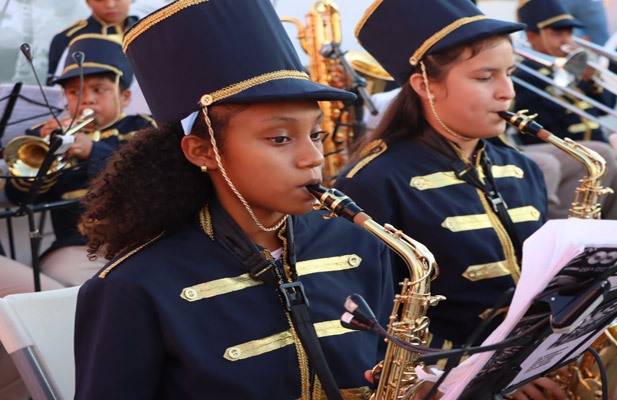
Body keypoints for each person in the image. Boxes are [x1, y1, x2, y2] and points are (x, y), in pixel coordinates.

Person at [335, 0, 617, 399]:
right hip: (445, 380)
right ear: (425, 86)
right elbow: (356, 321)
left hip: (538, 360)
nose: (507, 91)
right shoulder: (371, 182)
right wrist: (458, 377)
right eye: (485, 76)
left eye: (508, 73)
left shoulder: (517, 167)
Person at [72, 1, 394, 399]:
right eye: (280, 138)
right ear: (202, 151)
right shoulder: (132, 288)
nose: (314, 158)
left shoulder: (360, 241)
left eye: (316, 134)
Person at [0, 33, 155, 400]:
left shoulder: (139, 129)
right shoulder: (47, 137)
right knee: (43, 303)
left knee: (69, 304)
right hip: (72, 248)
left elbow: (146, 173)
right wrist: (47, 162)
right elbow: (19, 196)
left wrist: (92, 149)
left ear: (125, 96)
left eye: (99, 89)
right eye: (73, 93)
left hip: (132, 245)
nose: (85, 99)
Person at [513, 0, 617, 220]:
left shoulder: (572, 66)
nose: (566, 41)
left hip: (592, 147)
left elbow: (608, 105)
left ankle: (615, 233)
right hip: (561, 149)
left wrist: (593, 79)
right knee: (603, 157)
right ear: (532, 37)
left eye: (568, 33)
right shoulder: (526, 75)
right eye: (557, 34)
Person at [46, 0, 135, 85]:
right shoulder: (69, 38)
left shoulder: (146, 32)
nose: (110, 5)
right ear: (88, 1)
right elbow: (55, 89)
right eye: (99, 0)